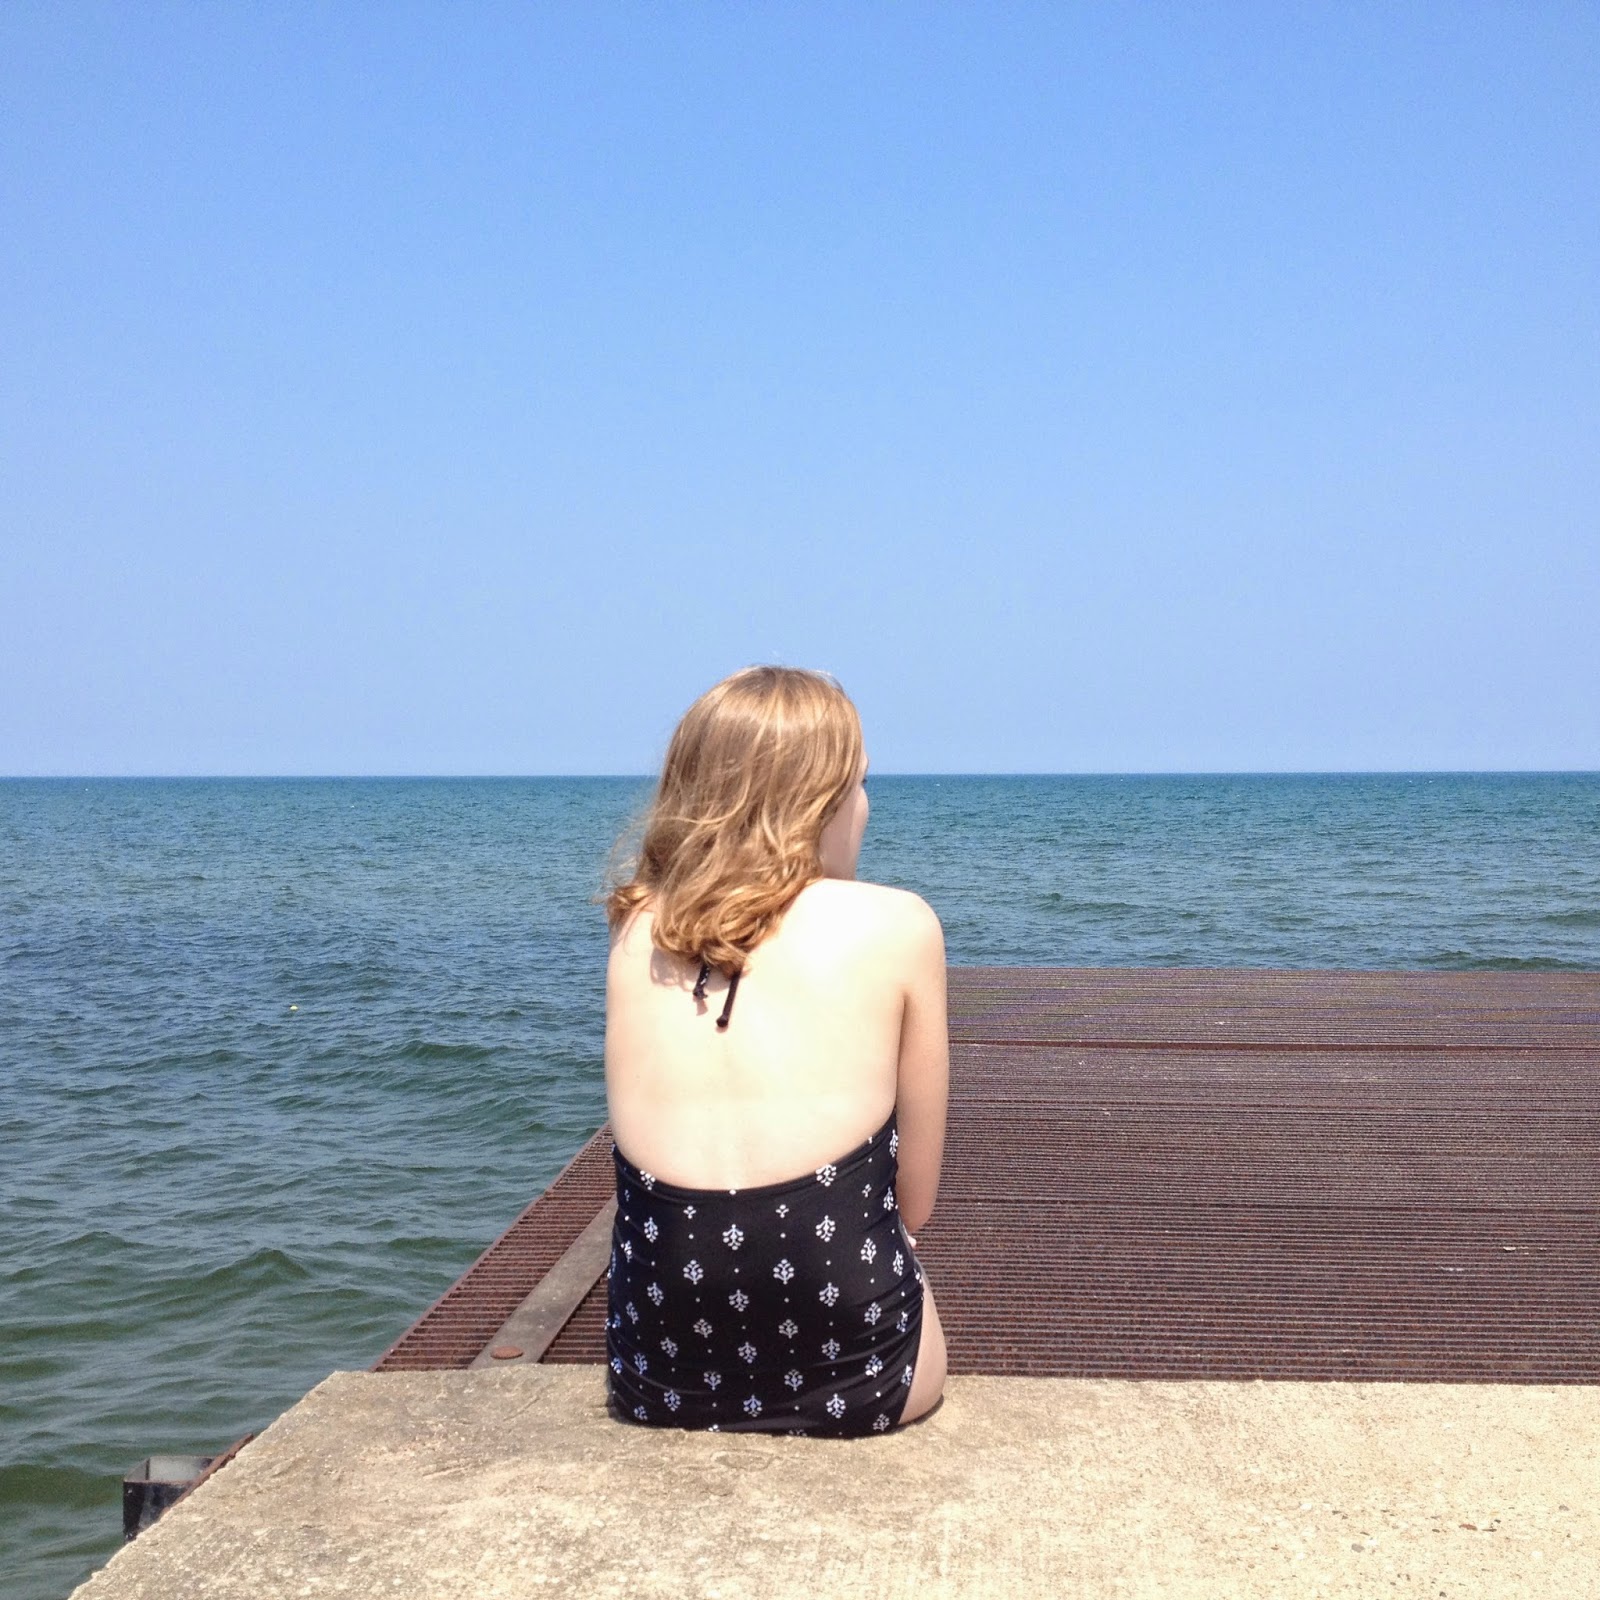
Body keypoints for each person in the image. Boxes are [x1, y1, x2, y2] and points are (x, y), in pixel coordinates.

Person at [602, 665, 948, 1436]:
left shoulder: (636, 930)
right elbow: (916, 1204)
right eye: (859, 783)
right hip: (867, 1380)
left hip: (659, 1379)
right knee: (901, 1258)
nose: (867, 806)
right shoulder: (901, 925)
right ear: (819, 803)